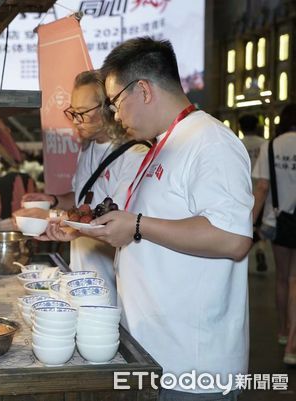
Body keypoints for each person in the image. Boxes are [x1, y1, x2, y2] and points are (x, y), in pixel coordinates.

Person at [57, 38, 252, 398]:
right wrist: (104, 229)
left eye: (115, 102)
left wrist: (136, 225)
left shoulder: (210, 142)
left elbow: (233, 239)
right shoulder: (164, 144)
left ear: (143, 89)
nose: (115, 115)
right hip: (152, 352)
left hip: (192, 363)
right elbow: (152, 228)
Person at [21, 70, 148, 301]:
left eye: (83, 113)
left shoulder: (135, 155)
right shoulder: (87, 147)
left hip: (114, 286)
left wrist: (65, 223)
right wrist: (55, 201)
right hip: (82, 277)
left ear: (108, 108)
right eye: (73, 112)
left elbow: (121, 224)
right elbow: (84, 202)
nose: (75, 121)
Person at [252, 103, 296, 365]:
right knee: (295, 279)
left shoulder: (271, 146)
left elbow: (262, 187)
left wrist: (248, 225)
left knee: (281, 277)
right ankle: (293, 342)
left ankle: (282, 331)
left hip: (279, 222)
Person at [239, 114, 269, 273]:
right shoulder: (265, 144)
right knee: (260, 224)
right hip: (260, 191)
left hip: (242, 192)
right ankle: (260, 250)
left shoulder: (237, 143)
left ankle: (244, 253)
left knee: (246, 224)